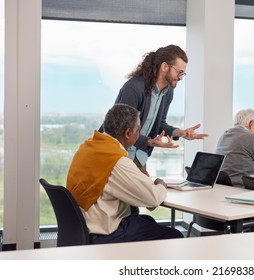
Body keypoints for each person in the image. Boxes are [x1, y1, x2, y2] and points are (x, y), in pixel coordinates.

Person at [67, 104, 183, 244]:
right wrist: (160, 185)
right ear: (128, 133)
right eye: (138, 131)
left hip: (82, 228)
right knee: (175, 236)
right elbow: (152, 199)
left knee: (147, 222)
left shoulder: (88, 147)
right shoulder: (116, 160)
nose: (139, 135)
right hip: (105, 234)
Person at [101, 44, 207, 175]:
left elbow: (159, 124)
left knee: (148, 193)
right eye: (179, 72)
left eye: (183, 74)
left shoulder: (167, 92)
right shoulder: (134, 89)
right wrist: (150, 141)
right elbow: (120, 131)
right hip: (116, 155)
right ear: (164, 67)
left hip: (139, 155)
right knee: (145, 193)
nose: (180, 78)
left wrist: (180, 133)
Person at [215, 108, 254, 187]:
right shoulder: (252, 138)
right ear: (252, 123)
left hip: (223, 187)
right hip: (243, 188)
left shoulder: (224, 135)